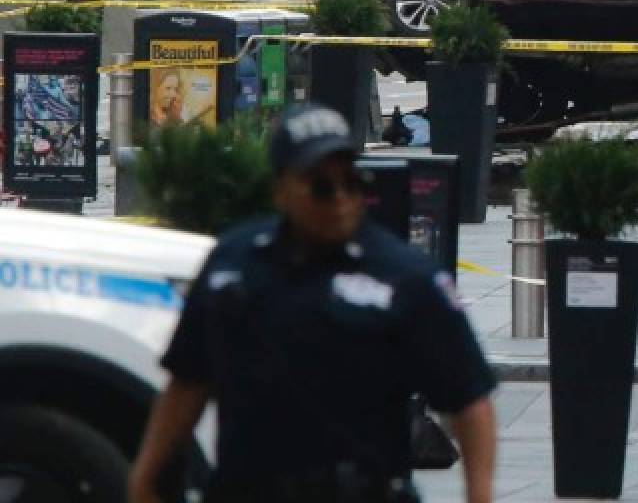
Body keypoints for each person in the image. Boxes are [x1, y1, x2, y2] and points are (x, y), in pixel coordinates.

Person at [129, 105, 498, 503]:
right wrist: (146, 476)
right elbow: (188, 382)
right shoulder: (233, 265)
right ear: (280, 190)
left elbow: (467, 400)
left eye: (353, 183)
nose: (339, 199)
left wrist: (479, 495)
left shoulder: (405, 277)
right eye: (321, 186)